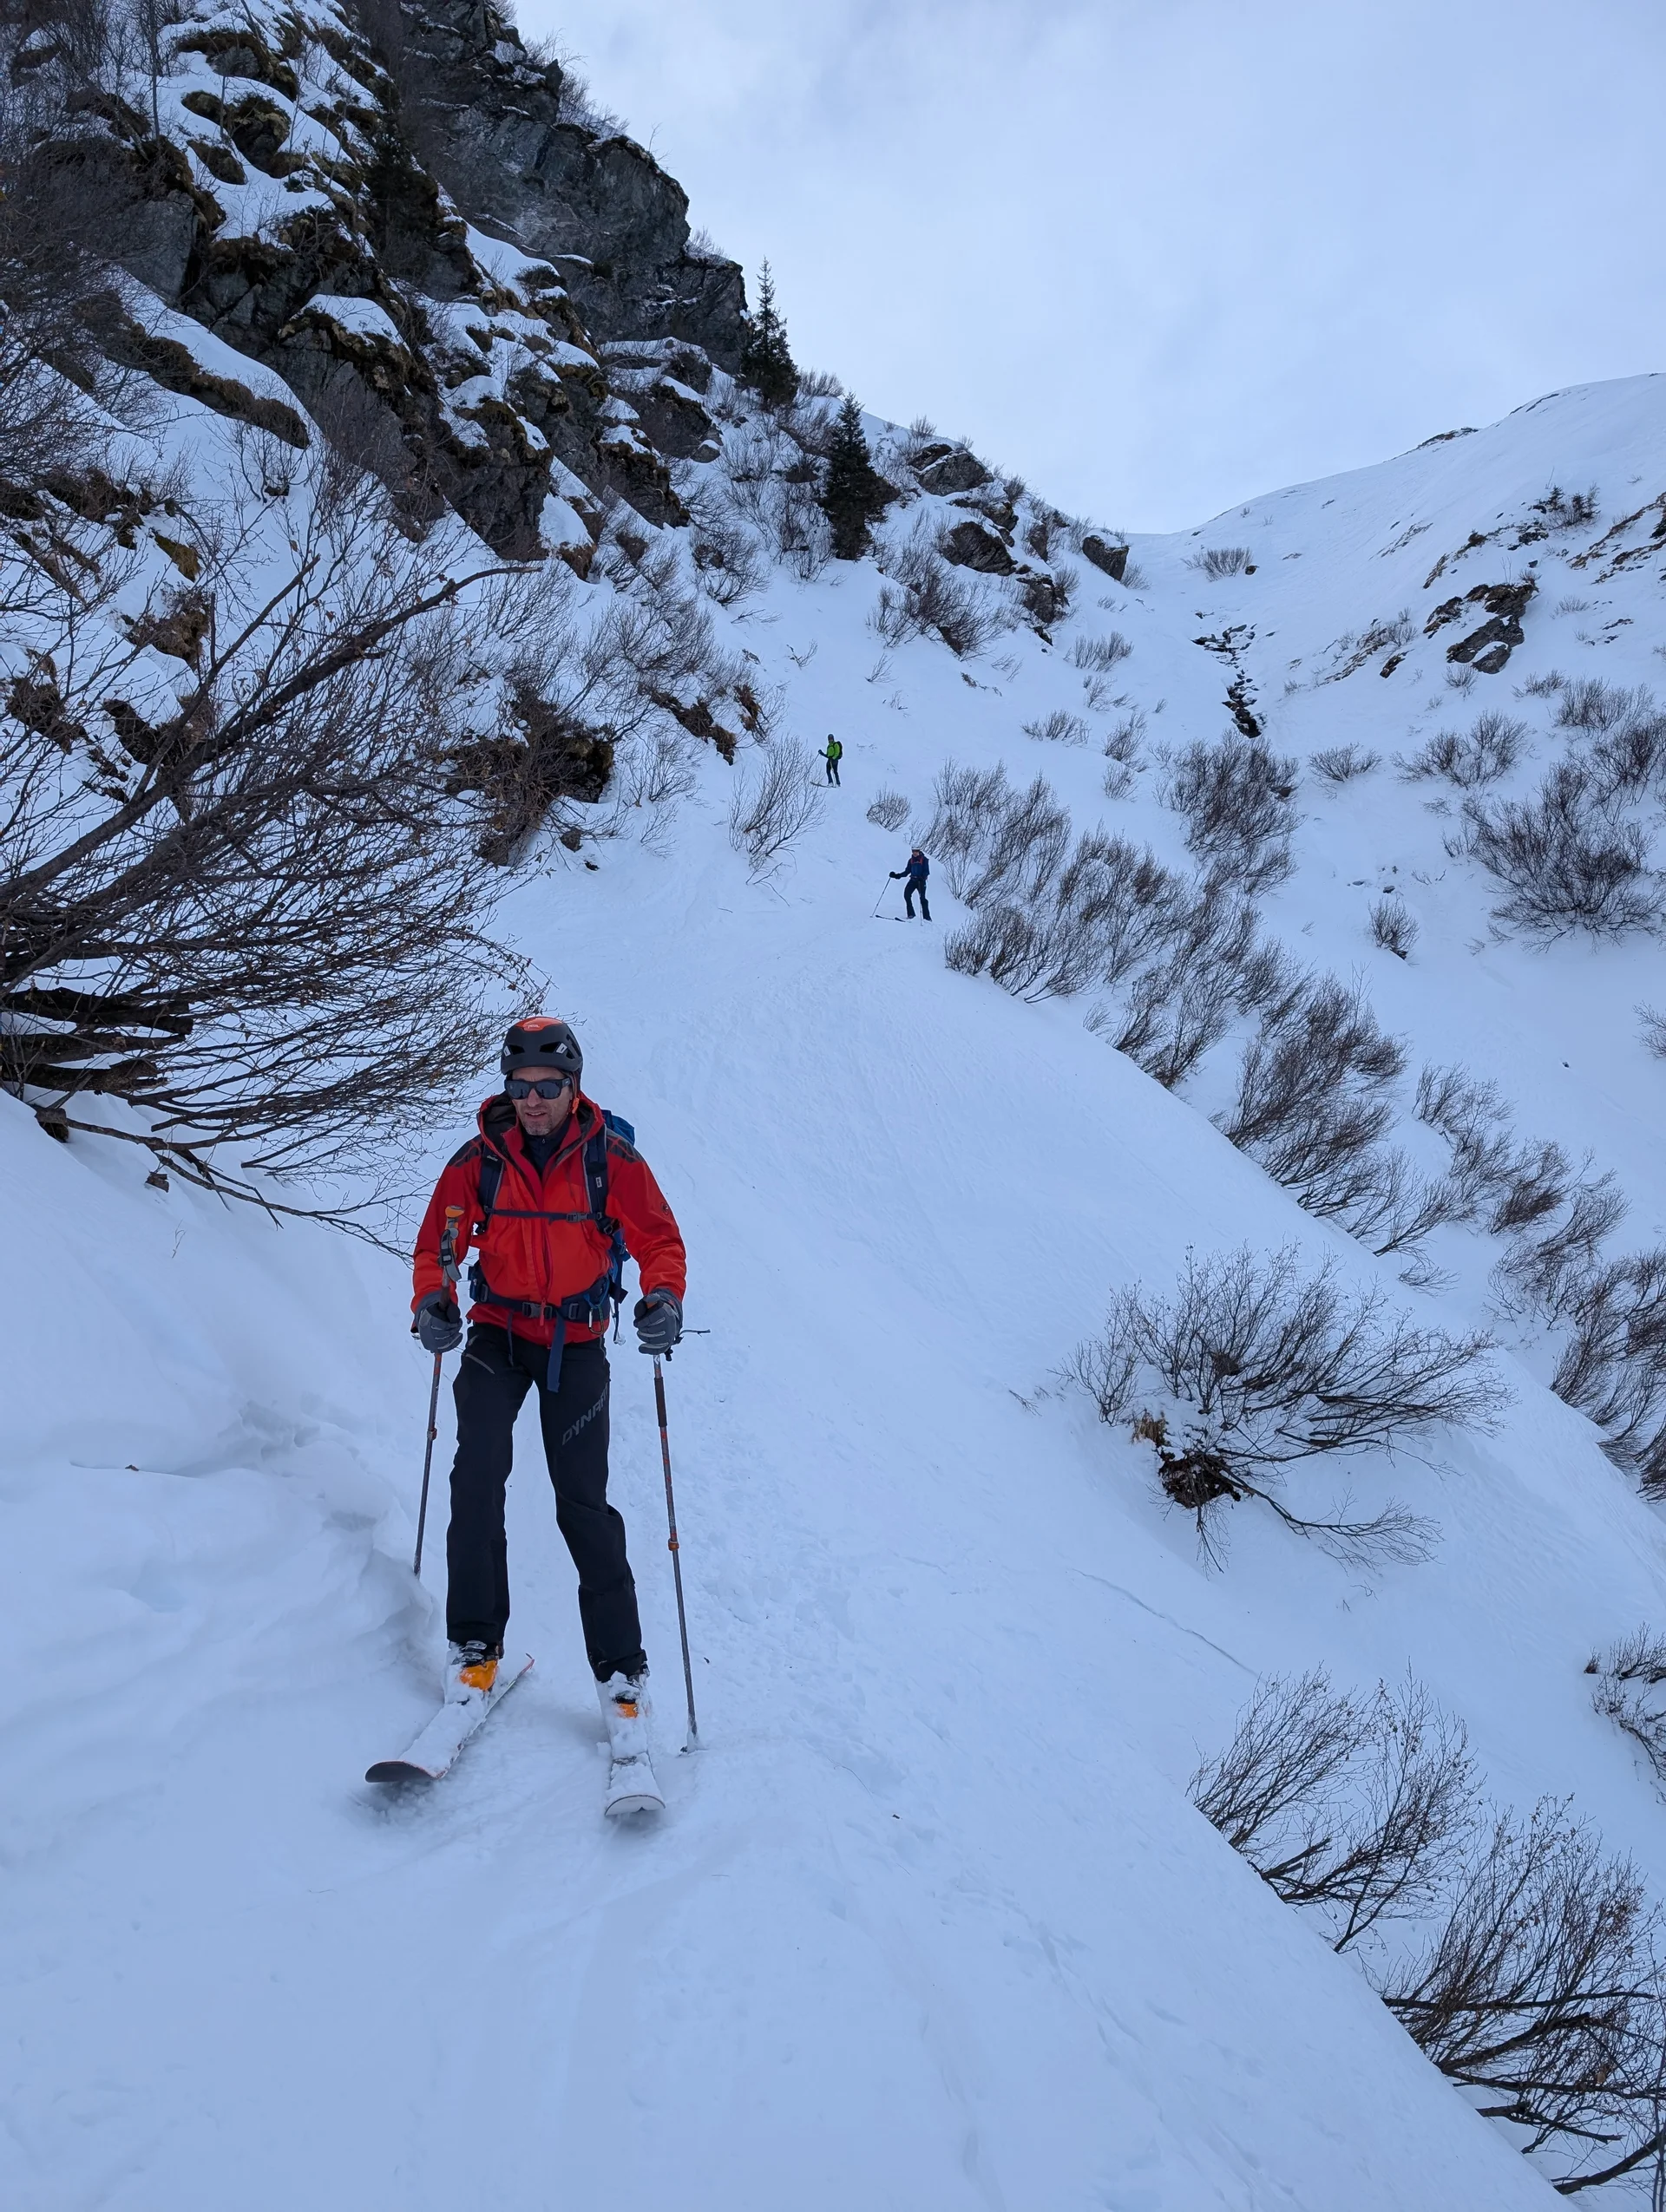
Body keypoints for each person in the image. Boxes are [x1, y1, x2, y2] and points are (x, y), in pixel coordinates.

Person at [410, 1016, 686, 1803]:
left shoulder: (611, 1159)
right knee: (476, 1479)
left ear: (574, 1088)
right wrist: (433, 1300)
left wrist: (663, 1297)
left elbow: (660, 1239)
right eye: (521, 1087)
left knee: (582, 1506)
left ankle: (622, 1673)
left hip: (578, 1341)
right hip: (498, 1333)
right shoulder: (476, 1163)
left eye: (548, 1088)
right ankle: (474, 1648)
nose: (533, 1102)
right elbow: (439, 1244)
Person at [890, 847, 930, 919]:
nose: (915, 852)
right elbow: (906, 872)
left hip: (921, 882)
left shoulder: (924, 860)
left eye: (916, 851)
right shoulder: (911, 861)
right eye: (913, 851)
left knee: (922, 899)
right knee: (906, 895)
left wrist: (922, 877)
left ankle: (927, 918)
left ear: (919, 851)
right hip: (913, 880)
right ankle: (911, 915)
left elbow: (926, 871)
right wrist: (896, 876)